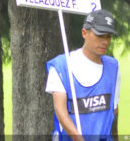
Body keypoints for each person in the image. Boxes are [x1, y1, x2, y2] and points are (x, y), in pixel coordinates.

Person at [45, 9, 120, 141]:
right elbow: (60, 110)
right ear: (84, 33)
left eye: (108, 36)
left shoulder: (113, 67)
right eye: (100, 35)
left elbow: (113, 109)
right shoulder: (61, 66)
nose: (105, 41)